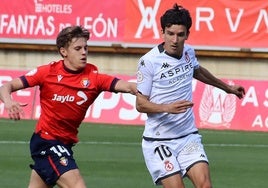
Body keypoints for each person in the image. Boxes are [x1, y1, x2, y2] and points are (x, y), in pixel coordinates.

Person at [0, 25, 136, 188]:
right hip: (46, 141)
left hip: (64, 144)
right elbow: (6, 87)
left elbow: (129, 86)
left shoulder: (95, 78)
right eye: (78, 48)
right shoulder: (47, 72)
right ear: (63, 51)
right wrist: (8, 102)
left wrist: (147, 90)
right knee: (77, 184)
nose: (84, 52)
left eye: (86, 48)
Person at [135, 4, 245, 188]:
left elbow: (197, 71)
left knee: (205, 185)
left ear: (187, 34)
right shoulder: (149, 61)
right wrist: (166, 108)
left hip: (187, 136)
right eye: (170, 33)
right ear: (162, 32)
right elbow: (140, 104)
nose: (175, 39)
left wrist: (227, 88)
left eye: (180, 34)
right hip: (158, 141)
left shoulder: (188, 52)